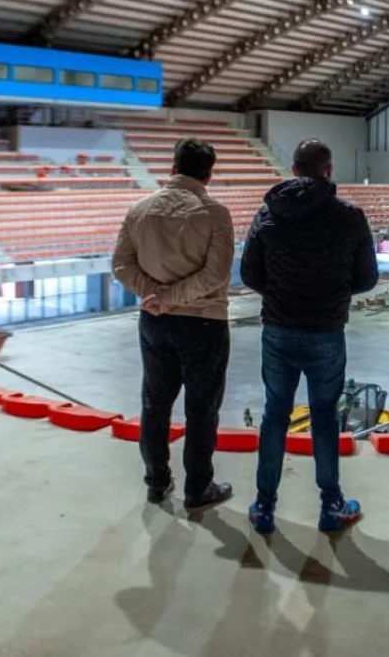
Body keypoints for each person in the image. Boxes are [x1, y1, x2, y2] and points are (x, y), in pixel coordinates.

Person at [240, 140, 378, 534]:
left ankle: (264, 506)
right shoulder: (349, 216)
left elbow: (250, 273)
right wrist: (333, 290)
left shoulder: (269, 213)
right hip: (326, 331)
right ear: (328, 170)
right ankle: (331, 504)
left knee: (274, 415)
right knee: (324, 418)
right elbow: (367, 277)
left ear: (295, 170)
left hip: (279, 329)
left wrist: (280, 291)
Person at [112, 137, 235, 511]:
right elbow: (215, 275)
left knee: (154, 402)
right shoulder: (215, 214)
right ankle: (199, 488)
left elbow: (121, 265)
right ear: (209, 174)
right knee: (201, 408)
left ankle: (157, 482)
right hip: (203, 324)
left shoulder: (138, 210)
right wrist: (172, 298)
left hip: (154, 323)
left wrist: (155, 297)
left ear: (172, 167)